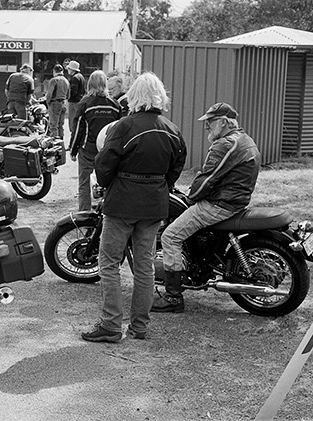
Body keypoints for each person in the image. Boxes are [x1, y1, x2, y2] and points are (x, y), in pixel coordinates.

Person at [81, 71, 187, 343]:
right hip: (153, 204)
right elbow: (176, 167)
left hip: (122, 202)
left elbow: (104, 165)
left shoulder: (123, 126)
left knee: (108, 264)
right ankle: (139, 327)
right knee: (144, 267)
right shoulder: (172, 129)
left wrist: (109, 184)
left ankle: (111, 325)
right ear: (160, 97)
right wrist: (159, 185)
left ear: (134, 97)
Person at [152, 102, 261, 313]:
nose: (207, 127)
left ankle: (173, 297)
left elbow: (207, 178)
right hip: (235, 201)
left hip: (219, 204)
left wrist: (190, 198)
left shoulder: (225, 144)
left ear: (223, 122)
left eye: (210, 123)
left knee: (170, 236)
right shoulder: (245, 140)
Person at [69, 70, 122, 212]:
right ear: (105, 84)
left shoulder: (85, 103)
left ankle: (85, 214)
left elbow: (78, 129)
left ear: (89, 84)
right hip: (108, 151)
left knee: (84, 184)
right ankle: (107, 212)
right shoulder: (115, 105)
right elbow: (119, 129)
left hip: (88, 150)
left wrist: (73, 150)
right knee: (109, 182)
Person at [44, 64, 70, 139]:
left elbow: (49, 94)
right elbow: (68, 96)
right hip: (63, 103)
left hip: (55, 103)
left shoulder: (54, 80)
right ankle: (61, 143)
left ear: (54, 71)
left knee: (53, 126)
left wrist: (48, 103)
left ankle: (54, 144)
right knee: (60, 125)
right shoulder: (66, 81)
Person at [65, 60, 86, 133]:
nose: (68, 70)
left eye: (69, 69)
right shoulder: (81, 77)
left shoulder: (75, 78)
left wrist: (67, 96)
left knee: (72, 122)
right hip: (80, 100)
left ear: (72, 69)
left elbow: (73, 91)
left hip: (74, 102)